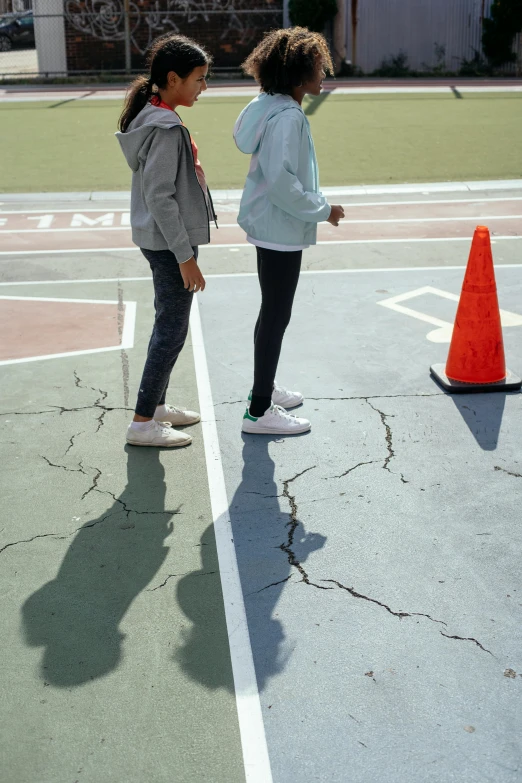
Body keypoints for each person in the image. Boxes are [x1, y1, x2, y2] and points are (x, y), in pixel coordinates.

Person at [233, 27, 345, 436]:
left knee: (272, 313)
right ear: (297, 75)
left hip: (271, 226)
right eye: (318, 68)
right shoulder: (288, 116)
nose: (323, 74)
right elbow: (283, 183)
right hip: (279, 228)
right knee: (277, 315)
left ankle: (264, 388)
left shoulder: (269, 106)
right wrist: (323, 210)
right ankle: (259, 411)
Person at [116, 33, 216, 448]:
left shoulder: (155, 116)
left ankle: (155, 408)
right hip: (168, 243)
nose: (204, 87)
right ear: (173, 79)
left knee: (169, 325)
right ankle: (142, 423)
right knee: (171, 330)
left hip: (162, 240)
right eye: (198, 78)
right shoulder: (165, 126)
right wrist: (184, 256)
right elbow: (160, 195)